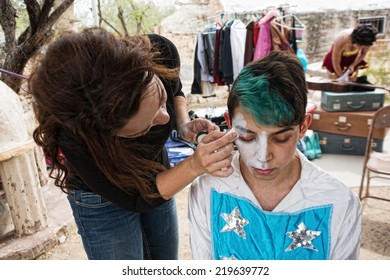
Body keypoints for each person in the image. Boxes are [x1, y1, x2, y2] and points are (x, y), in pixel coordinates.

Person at [29, 27, 237, 260]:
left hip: (156, 174)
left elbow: (175, 87)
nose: (163, 118)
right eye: (146, 127)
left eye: (159, 98)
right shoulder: (77, 141)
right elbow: (136, 198)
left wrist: (183, 124)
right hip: (102, 199)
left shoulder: (160, 51)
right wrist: (195, 166)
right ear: (106, 133)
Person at [188, 51, 362, 260]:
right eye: (247, 136)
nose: (263, 156)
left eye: (280, 139)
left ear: (303, 127)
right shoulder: (209, 190)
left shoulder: (339, 202)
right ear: (229, 122)